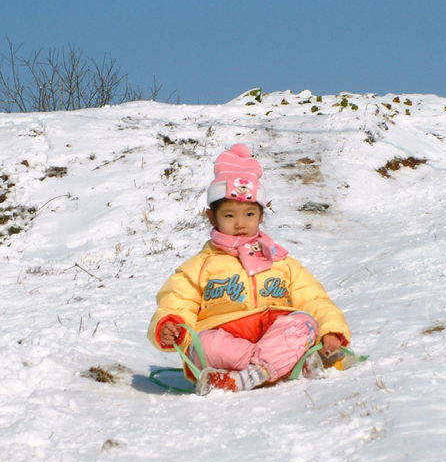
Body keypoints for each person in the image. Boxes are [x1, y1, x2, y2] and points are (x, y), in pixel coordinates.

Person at [148, 143, 350, 395]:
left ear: (261, 216)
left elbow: (314, 299)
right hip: (227, 342)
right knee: (202, 344)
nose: (240, 223)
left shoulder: (280, 261)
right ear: (212, 217)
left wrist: (331, 330)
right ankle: (286, 365)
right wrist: (171, 326)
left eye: (249, 214)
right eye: (229, 215)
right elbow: (176, 301)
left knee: (303, 323)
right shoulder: (199, 266)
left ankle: (241, 378)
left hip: (273, 333)